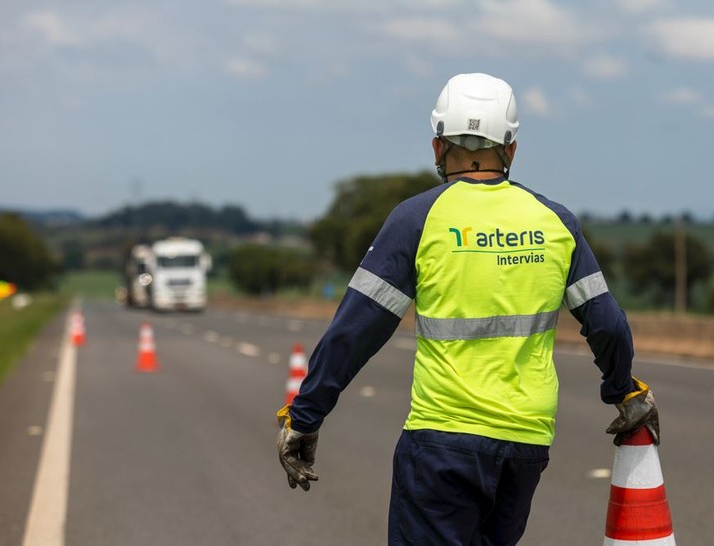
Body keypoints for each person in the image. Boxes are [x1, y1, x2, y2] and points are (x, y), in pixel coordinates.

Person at [276, 72, 660, 545]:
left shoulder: (417, 219)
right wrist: (623, 392)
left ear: (438, 147)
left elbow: (353, 333)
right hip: (525, 443)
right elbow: (608, 325)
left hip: (441, 440)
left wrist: (306, 416)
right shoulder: (555, 222)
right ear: (511, 149)